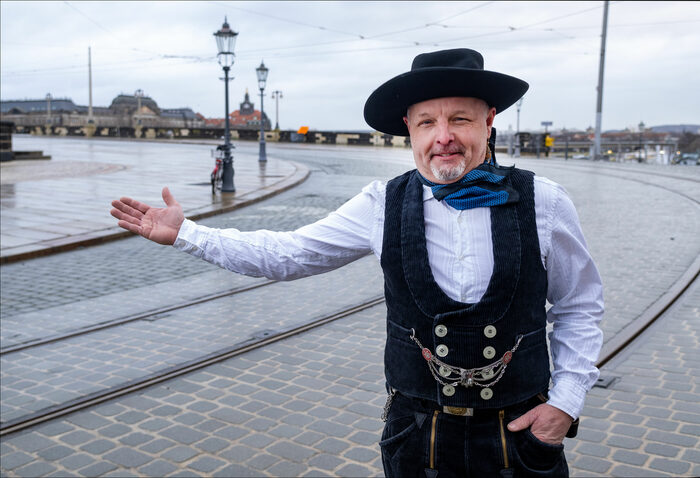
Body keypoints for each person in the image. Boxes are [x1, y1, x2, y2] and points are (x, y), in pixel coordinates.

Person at [111, 48, 603, 477]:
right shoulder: (380, 204)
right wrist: (188, 234)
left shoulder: (543, 201)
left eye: (460, 119)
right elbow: (290, 254)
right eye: (428, 122)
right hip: (418, 440)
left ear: (489, 121)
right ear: (409, 127)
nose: (444, 137)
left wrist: (565, 403)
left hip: (518, 439)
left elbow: (579, 305)